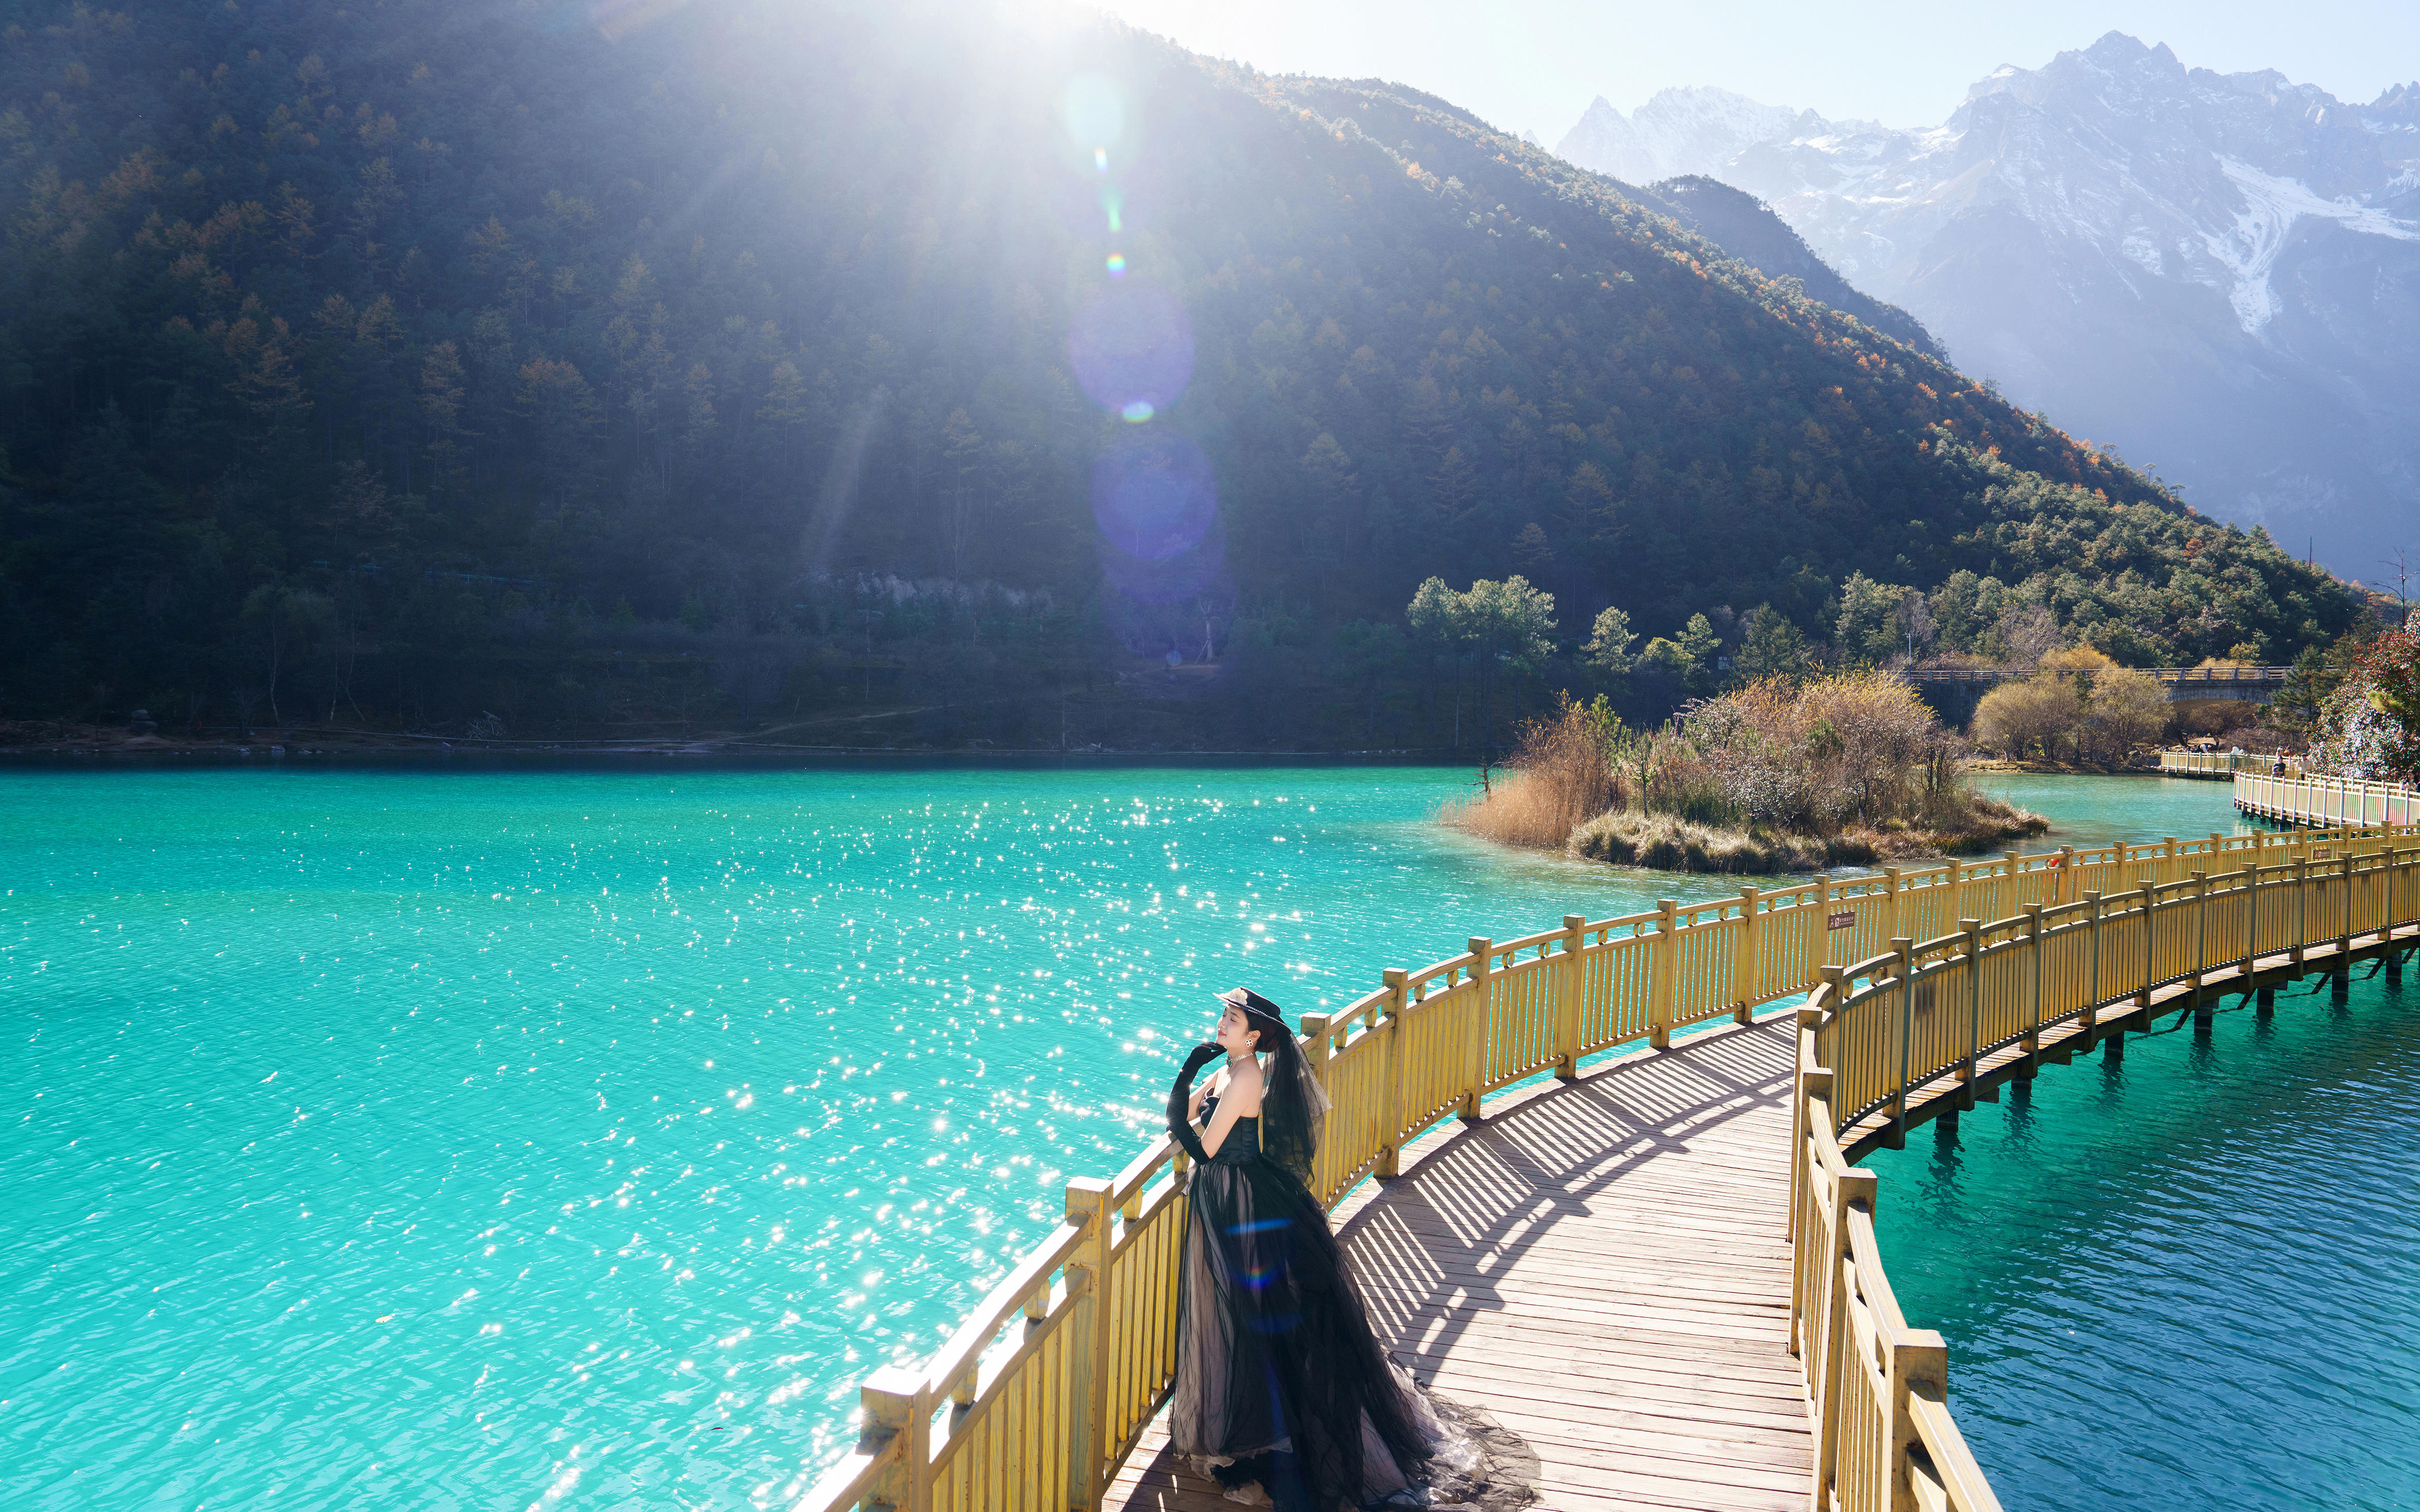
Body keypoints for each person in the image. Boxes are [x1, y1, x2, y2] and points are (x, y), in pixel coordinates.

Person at [1163, 987, 1455, 1510]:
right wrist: (1194, 1081)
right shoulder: (1229, 1068)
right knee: (1229, 1313)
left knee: (1248, 1314)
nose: (1222, 1023)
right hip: (1222, 1197)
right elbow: (1183, 1118)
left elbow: (1203, 1148)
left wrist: (1187, 1073)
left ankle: (1265, 1428)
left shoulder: (1247, 1074)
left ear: (1254, 1035)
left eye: (1232, 1019)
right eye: (1225, 1015)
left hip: (1239, 1202)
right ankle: (1243, 1423)